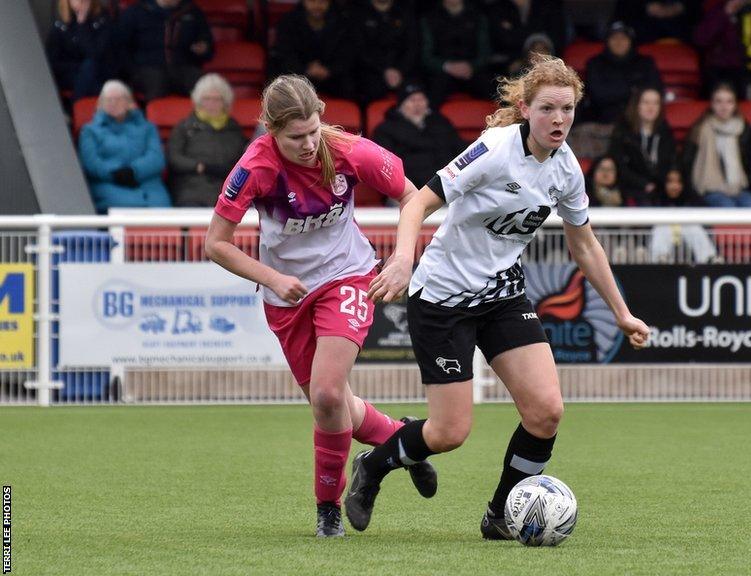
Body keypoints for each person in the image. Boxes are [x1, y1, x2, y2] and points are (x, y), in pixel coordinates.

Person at [342, 55, 650, 538]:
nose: (559, 120)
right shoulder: (494, 149)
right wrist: (403, 259)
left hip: (504, 296)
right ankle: (374, 465)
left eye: (567, 109)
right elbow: (418, 201)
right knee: (449, 434)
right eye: (548, 109)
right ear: (526, 109)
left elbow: (584, 243)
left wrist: (623, 313)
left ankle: (501, 516)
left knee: (546, 411)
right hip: (442, 299)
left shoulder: (568, 169)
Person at [204, 75, 437, 538]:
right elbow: (216, 244)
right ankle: (401, 438)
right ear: (271, 130)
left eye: (314, 130)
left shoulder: (351, 150)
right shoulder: (254, 167)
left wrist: (403, 258)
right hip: (284, 294)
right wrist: (271, 278)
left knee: (329, 394)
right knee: (330, 406)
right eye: (296, 137)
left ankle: (328, 508)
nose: (309, 144)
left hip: (347, 275)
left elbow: (414, 195)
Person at [78, 80, 172, 213]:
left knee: (161, 206)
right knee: (125, 206)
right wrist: (115, 173)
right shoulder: (89, 131)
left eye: (118, 99)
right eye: (108, 100)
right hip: (109, 183)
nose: (113, 103)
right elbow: (91, 163)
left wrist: (134, 171)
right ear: (100, 104)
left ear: (130, 102)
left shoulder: (147, 128)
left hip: (148, 183)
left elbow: (156, 158)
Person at [167, 73, 248, 207]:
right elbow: (174, 158)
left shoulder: (234, 129)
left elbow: (242, 160)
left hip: (227, 185)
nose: (212, 104)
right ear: (198, 101)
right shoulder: (184, 127)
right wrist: (200, 167)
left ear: (225, 103)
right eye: (207, 99)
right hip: (191, 185)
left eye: (217, 99)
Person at [371, 83, 466, 187]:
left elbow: (460, 150)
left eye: (421, 100)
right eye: (412, 100)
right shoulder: (385, 129)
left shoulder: (441, 123)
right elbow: (385, 166)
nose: (417, 105)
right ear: (401, 105)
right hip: (406, 190)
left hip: (446, 186)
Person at [117, 0, 214, 101]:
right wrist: (133, 71)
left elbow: (207, 44)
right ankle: (153, 115)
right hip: (147, 69)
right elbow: (120, 47)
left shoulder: (193, 11)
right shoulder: (136, 12)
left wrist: (203, 48)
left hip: (184, 67)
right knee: (157, 82)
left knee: (206, 86)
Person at [680, 82, 751, 208]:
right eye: (719, 101)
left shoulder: (744, 129)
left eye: (729, 102)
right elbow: (686, 163)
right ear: (712, 104)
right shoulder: (700, 129)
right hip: (709, 189)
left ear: (735, 105)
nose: (724, 106)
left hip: (739, 188)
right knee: (726, 205)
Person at [270, 0, 355, 99]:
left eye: (322, 2)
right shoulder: (288, 21)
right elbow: (284, 53)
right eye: (312, 1)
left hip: (335, 79)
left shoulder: (343, 22)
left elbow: (348, 53)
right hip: (296, 77)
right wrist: (305, 70)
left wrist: (329, 70)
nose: (317, 6)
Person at [607, 87, 677, 206]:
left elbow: (670, 163)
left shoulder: (665, 132)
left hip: (660, 190)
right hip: (630, 190)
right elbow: (618, 165)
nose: (651, 107)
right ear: (637, 105)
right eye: (646, 102)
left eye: (655, 103)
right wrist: (643, 184)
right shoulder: (623, 133)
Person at [583, 22, 662, 123]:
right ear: (607, 41)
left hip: (639, 119)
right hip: (602, 120)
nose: (619, 42)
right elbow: (598, 95)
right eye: (614, 38)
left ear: (631, 41)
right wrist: (632, 89)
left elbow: (654, 91)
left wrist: (614, 90)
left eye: (624, 38)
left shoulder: (645, 63)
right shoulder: (595, 63)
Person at [420, 0, 494, 105]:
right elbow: (425, 56)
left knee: (493, 90)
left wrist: (471, 66)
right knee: (433, 92)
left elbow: (485, 52)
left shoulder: (478, 17)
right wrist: (447, 66)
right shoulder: (428, 18)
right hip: (441, 72)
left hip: (473, 71)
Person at [351, 0, 418, 103]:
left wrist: (400, 70)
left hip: (402, 70)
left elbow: (412, 47)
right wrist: (384, 70)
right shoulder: (359, 13)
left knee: (417, 91)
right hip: (371, 70)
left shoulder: (405, 12)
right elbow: (359, 49)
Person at [46, 0, 114, 100]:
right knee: (90, 76)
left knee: (91, 70)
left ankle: (75, 106)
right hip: (71, 73)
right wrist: (80, 68)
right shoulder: (60, 27)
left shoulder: (102, 21)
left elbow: (95, 54)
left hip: (99, 71)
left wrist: (82, 24)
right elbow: (53, 62)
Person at [486, 0, 568, 73]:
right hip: (506, 65)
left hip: (547, 64)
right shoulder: (496, 9)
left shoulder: (549, 6)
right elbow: (496, 44)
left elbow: (558, 40)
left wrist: (515, 33)